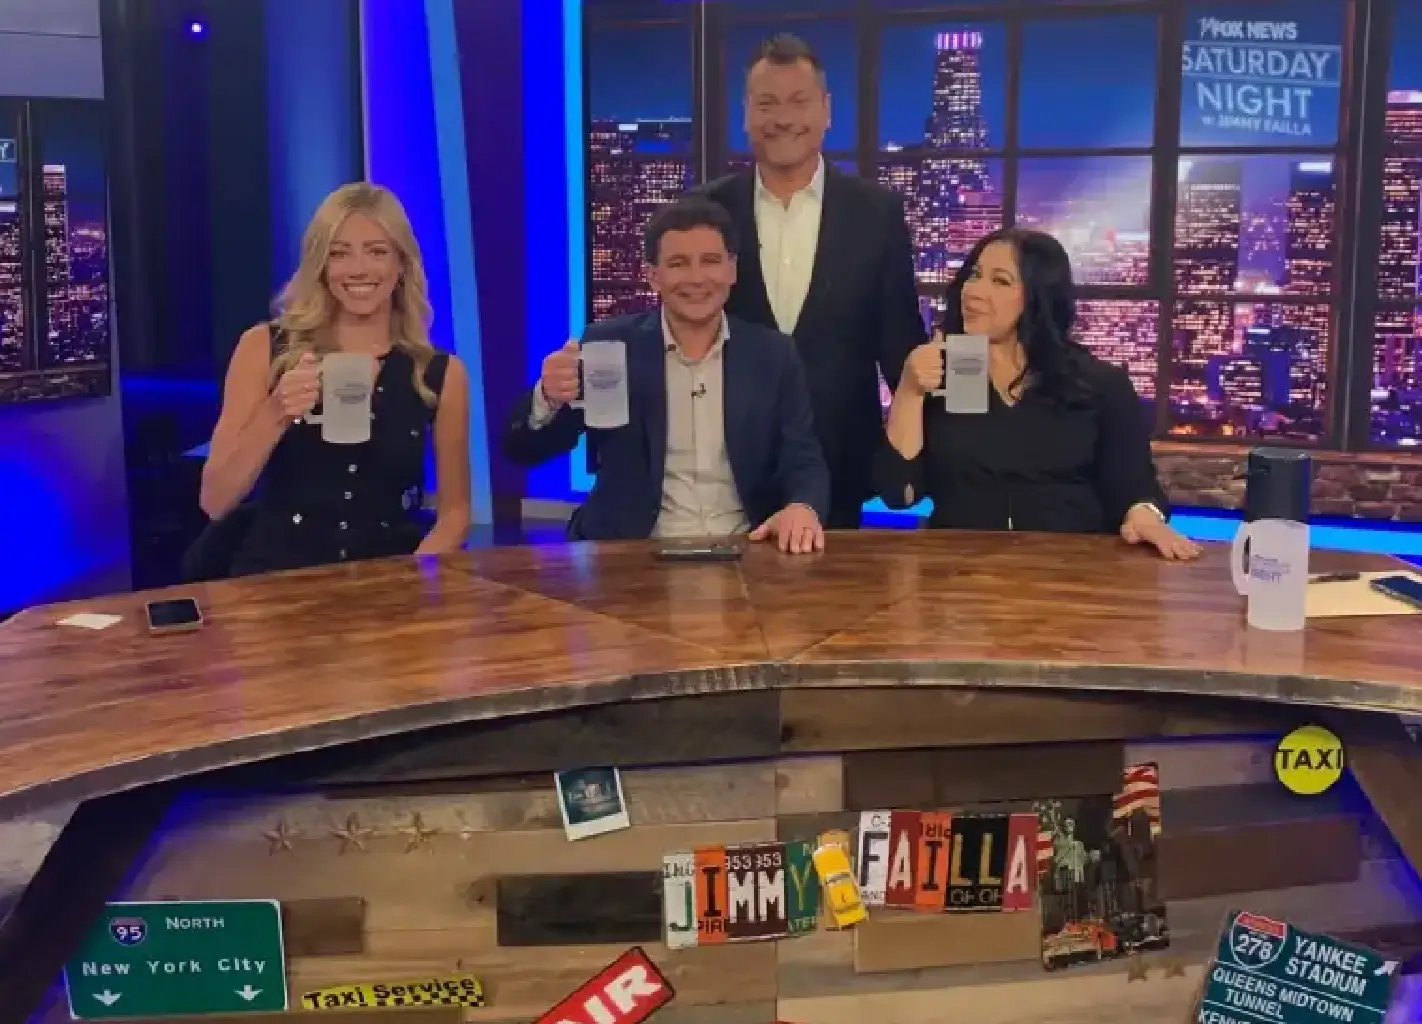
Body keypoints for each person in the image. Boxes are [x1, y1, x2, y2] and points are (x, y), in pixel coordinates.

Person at [503, 197, 828, 553]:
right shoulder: (608, 345)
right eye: (678, 263)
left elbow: (803, 457)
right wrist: (547, 397)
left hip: (743, 548)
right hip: (632, 553)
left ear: (731, 270)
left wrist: (803, 506)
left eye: (710, 261)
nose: (696, 278)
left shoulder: (772, 355)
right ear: (653, 276)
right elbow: (525, 451)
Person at [696, 32, 925, 530]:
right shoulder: (708, 210)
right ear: (746, 115)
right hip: (724, 462)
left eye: (799, 102)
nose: (783, 118)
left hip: (839, 461)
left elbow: (898, 341)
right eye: (767, 104)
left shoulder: (876, 213)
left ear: (826, 110)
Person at [875, 227, 1200, 560]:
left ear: (1037, 297)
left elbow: (1136, 489)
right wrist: (910, 390)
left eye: (1000, 281)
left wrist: (1143, 516)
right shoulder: (952, 373)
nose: (973, 292)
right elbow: (901, 495)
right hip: (960, 583)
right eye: (974, 275)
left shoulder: (1096, 384)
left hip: (1071, 579)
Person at [198, 182, 472, 575]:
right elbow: (215, 499)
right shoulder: (264, 347)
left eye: (376, 252)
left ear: (400, 265)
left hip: (388, 579)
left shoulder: (439, 373)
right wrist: (276, 411)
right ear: (321, 265)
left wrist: (410, 580)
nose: (358, 269)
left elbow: (455, 514)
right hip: (274, 580)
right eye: (340, 254)